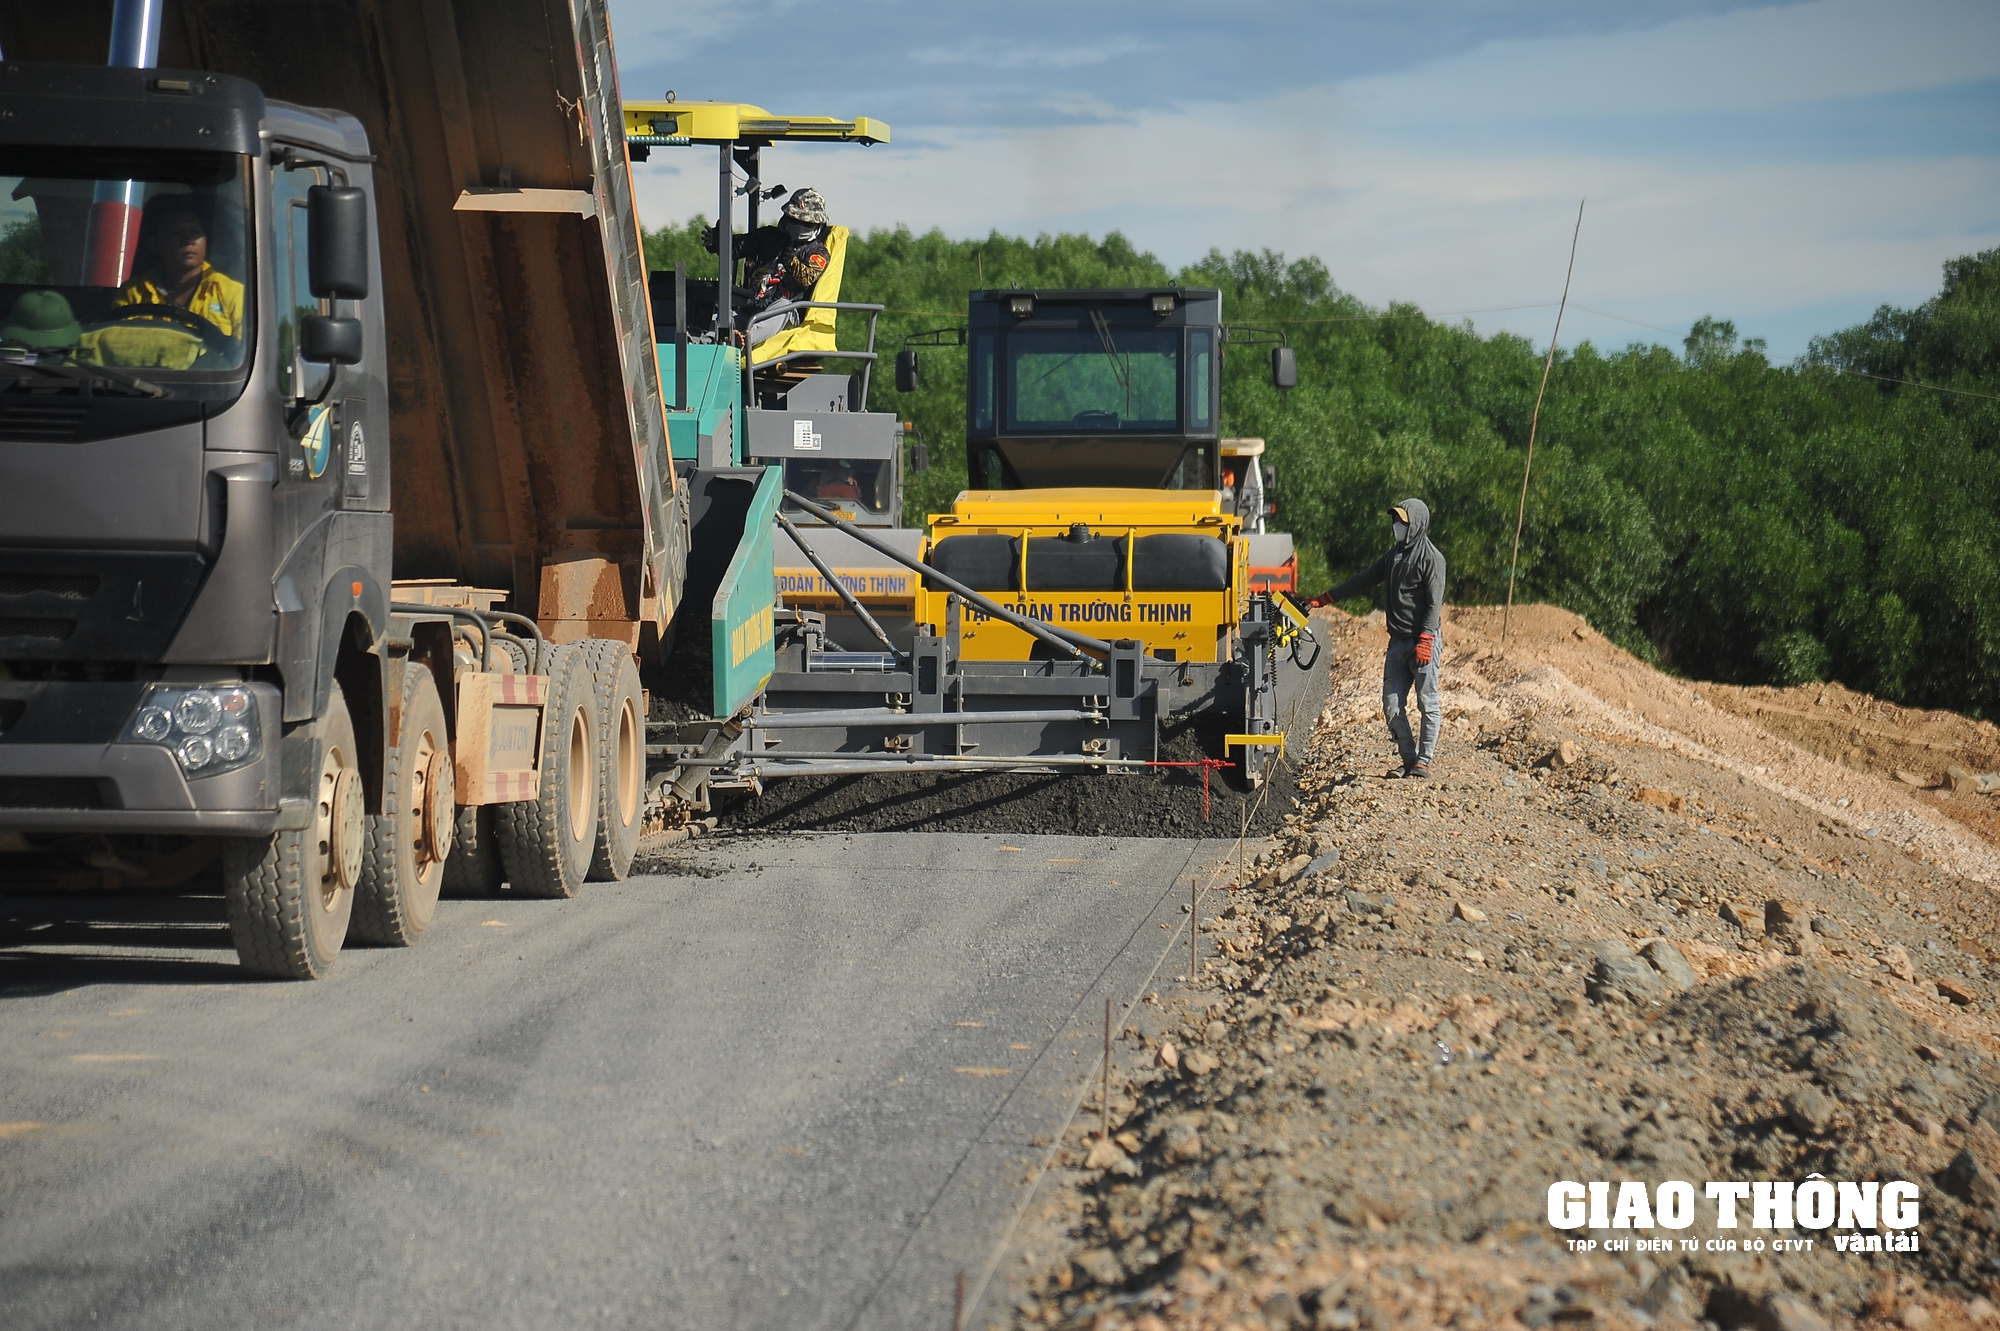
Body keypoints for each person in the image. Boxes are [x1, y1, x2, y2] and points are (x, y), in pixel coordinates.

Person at [1306, 498, 1448, 779]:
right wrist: (1327, 597)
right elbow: (1364, 578)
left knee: (1427, 701)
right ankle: (1409, 759)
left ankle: (1424, 761)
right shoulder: (1394, 556)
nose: (1397, 526)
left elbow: (1434, 603)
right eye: (1396, 521)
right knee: (1392, 705)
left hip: (1421, 640)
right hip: (1397, 642)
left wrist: (1427, 639)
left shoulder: (1432, 559)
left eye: (1402, 522)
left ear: (1416, 524)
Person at [702, 187, 832, 348]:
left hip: (784, 313)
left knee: (784, 306)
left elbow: (807, 279)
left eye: (804, 223)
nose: (797, 225)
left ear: (816, 224)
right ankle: (708, 340)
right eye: (794, 220)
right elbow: (739, 246)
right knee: (720, 316)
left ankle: (745, 339)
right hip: (753, 307)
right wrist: (718, 242)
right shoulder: (770, 236)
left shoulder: (818, 252)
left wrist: (791, 260)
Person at [111, 197, 243, 340]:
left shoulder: (233, 294)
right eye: (176, 233)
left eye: (195, 232)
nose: (188, 240)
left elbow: (240, 352)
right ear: (155, 245)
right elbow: (115, 345)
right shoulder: (132, 294)